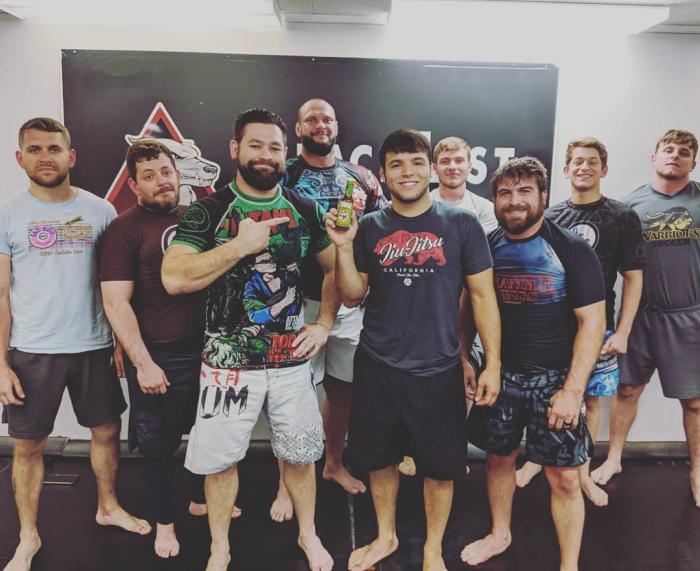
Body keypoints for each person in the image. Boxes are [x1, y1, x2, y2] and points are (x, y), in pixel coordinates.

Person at [161, 108, 336, 571]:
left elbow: (336, 268)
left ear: (286, 152)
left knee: (301, 456)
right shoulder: (210, 210)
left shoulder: (303, 208)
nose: (266, 155)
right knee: (220, 462)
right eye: (255, 145)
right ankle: (220, 546)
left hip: (290, 362)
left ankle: (308, 534)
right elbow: (174, 277)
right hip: (227, 363)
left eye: (275, 147)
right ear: (235, 148)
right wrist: (240, 245)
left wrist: (324, 323)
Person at [328, 129, 501, 571]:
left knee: (441, 468)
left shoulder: (462, 224)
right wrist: (343, 248)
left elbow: (483, 297)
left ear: (431, 169)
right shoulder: (369, 226)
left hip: (438, 369)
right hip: (378, 365)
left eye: (416, 162)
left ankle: (431, 549)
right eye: (397, 164)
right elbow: (351, 295)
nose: (408, 172)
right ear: (384, 175)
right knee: (380, 459)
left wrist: (492, 364)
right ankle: (386, 536)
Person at [0, 118, 150, 571]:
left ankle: (108, 506)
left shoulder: (100, 211)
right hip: (32, 351)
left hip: (93, 346)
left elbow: (117, 286)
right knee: (28, 446)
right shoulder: (8, 214)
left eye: (54, 148)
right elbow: (0, 294)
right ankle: (28, 535)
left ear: (71, 156)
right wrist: (1, 363)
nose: (45, 157)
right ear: (20, 158)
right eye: (35, 149)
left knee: (106, 432)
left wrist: (121, 340)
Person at [99, 139, 240, 559]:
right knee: (158, 447)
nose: (161, 181)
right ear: (134, 185)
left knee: (206, 434)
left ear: (178, 175)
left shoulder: (195, 220)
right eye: (149, 176)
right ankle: (165, 524)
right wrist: (142, 362)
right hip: (159, 357)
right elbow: (115, 302)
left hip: (208, 352)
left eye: (166, 172)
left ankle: (198, 500)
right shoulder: (123, 230)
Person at [463, 157, 605, 571]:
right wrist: (464, 358)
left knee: (565, 477)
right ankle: (500, 534)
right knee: (498, 458)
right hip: (500, 376)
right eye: (505, 193)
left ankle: (568, 565)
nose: (514, 201)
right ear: (494, 200)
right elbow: (467, 307)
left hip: (556, 382)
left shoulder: (572, 248)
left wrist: (573, 391)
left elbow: (592, 323)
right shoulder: (486, 246)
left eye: (525, 191)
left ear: (543, 195)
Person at [515, 138, 645, 507]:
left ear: (604, 169)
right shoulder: (551, 216)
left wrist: (623, 331)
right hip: (552, 329)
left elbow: (633, 277)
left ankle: (583, 474)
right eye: (577, 161)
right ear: (566, 169)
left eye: (592, 162)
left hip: (597, 327)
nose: (584, 167)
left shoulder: (622, 216)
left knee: (589, 401)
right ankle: (536, 460)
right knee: (543, 396)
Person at [274, 98, 385, 517]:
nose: (320, 125)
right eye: (312, 120)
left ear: (337, 126)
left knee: (343, 392)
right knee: (290, 397)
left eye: (327, 119)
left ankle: (333, 464)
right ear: (299, 129)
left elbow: (378, 236)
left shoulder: (362, 178)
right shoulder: (283, 174)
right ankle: (285, 485)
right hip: (296, 302)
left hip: (352, 303)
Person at [592, 129, 700, 508]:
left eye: (684, 152)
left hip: (689, 317)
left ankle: (697, 470)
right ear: (654, 158)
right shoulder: (629, 207)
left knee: (694, 402)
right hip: (639, 317)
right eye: (668, 149)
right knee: (627, 390)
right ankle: (614, 458)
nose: (675, 155)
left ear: (693, 163)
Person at [398, 136, 499, 479]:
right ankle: (410, 448)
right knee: (413, 383)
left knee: (462, 379)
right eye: (445, 161)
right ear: (433, 168)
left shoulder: (484, 210)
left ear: (471, 165)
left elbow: (477, 270)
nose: (453, 167)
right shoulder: (419, 204)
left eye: (459, 161)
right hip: (421, 310)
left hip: (466, 309)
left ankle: (453, 448)